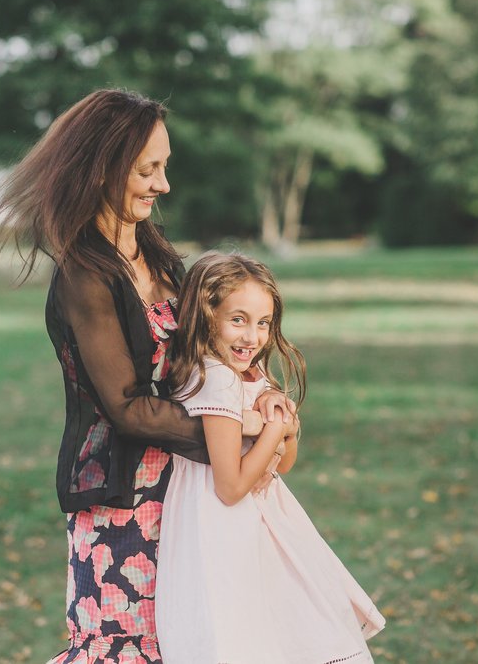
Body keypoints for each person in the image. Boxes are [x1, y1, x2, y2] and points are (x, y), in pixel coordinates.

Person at [0, 89, 294, 663]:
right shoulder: (86, 274)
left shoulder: (156, 254)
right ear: (102, 168)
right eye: (147, 169)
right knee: (126, 648)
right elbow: (127, 406)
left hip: (187, 494)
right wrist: (240, 427)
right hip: (122, 501)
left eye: (164, 167)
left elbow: (205, 353)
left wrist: (262, 398)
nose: (163, 184)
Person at [156, 253, 386, 664]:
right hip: (223, 528)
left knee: (279, 633)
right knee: (247, 637)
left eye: (263, 323)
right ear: (206, 316)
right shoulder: (216, 379)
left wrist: (283, 426)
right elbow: (230, 487)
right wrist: (276, 430)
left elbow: (282, 465)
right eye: (238, 320)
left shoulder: (247, 375)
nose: (253, 337)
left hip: (263, 524)